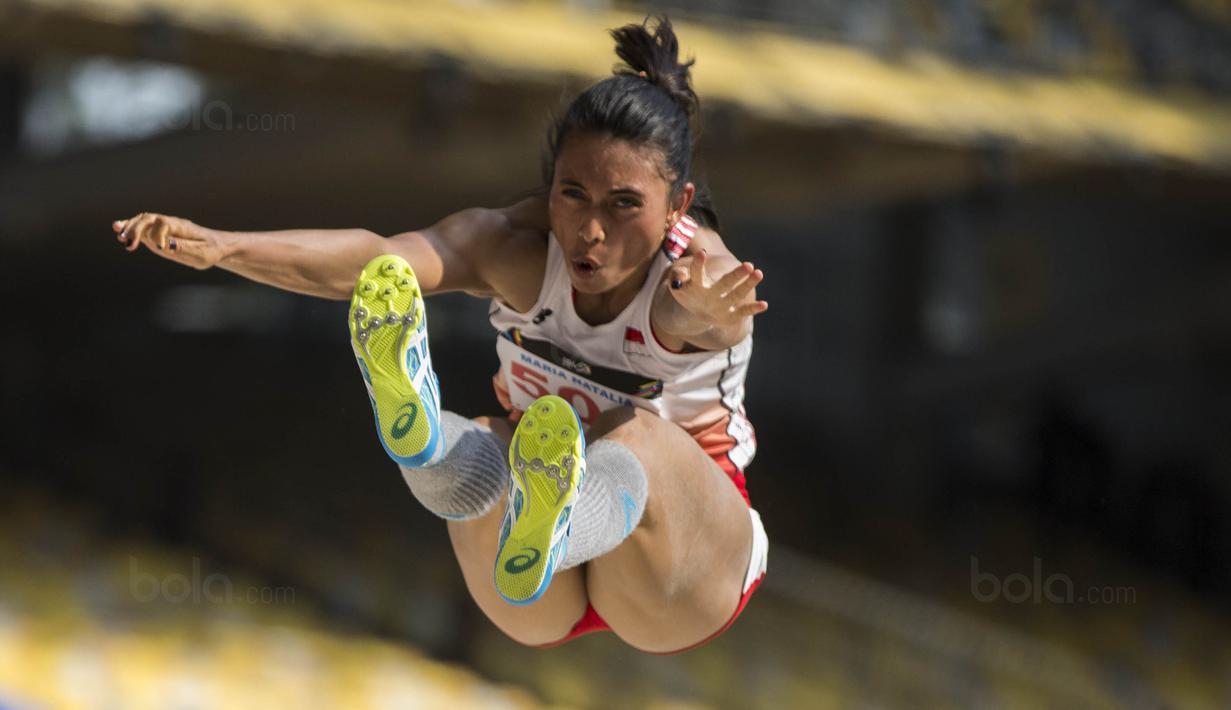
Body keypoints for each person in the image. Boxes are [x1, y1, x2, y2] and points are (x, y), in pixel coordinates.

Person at [112, 17, 769, 654]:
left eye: (623, 204)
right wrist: (224, 247)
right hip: (528, 588)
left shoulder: (698, 279)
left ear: (677, 205)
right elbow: (374, 261)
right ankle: (426, 443)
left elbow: (714, 315)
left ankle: (533, 503)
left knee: (639, 437)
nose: (590, 230)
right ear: (551, 188)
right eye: (572, 194)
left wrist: (696, 317)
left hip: (676, 581)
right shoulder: (512, 247)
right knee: (496, 440)